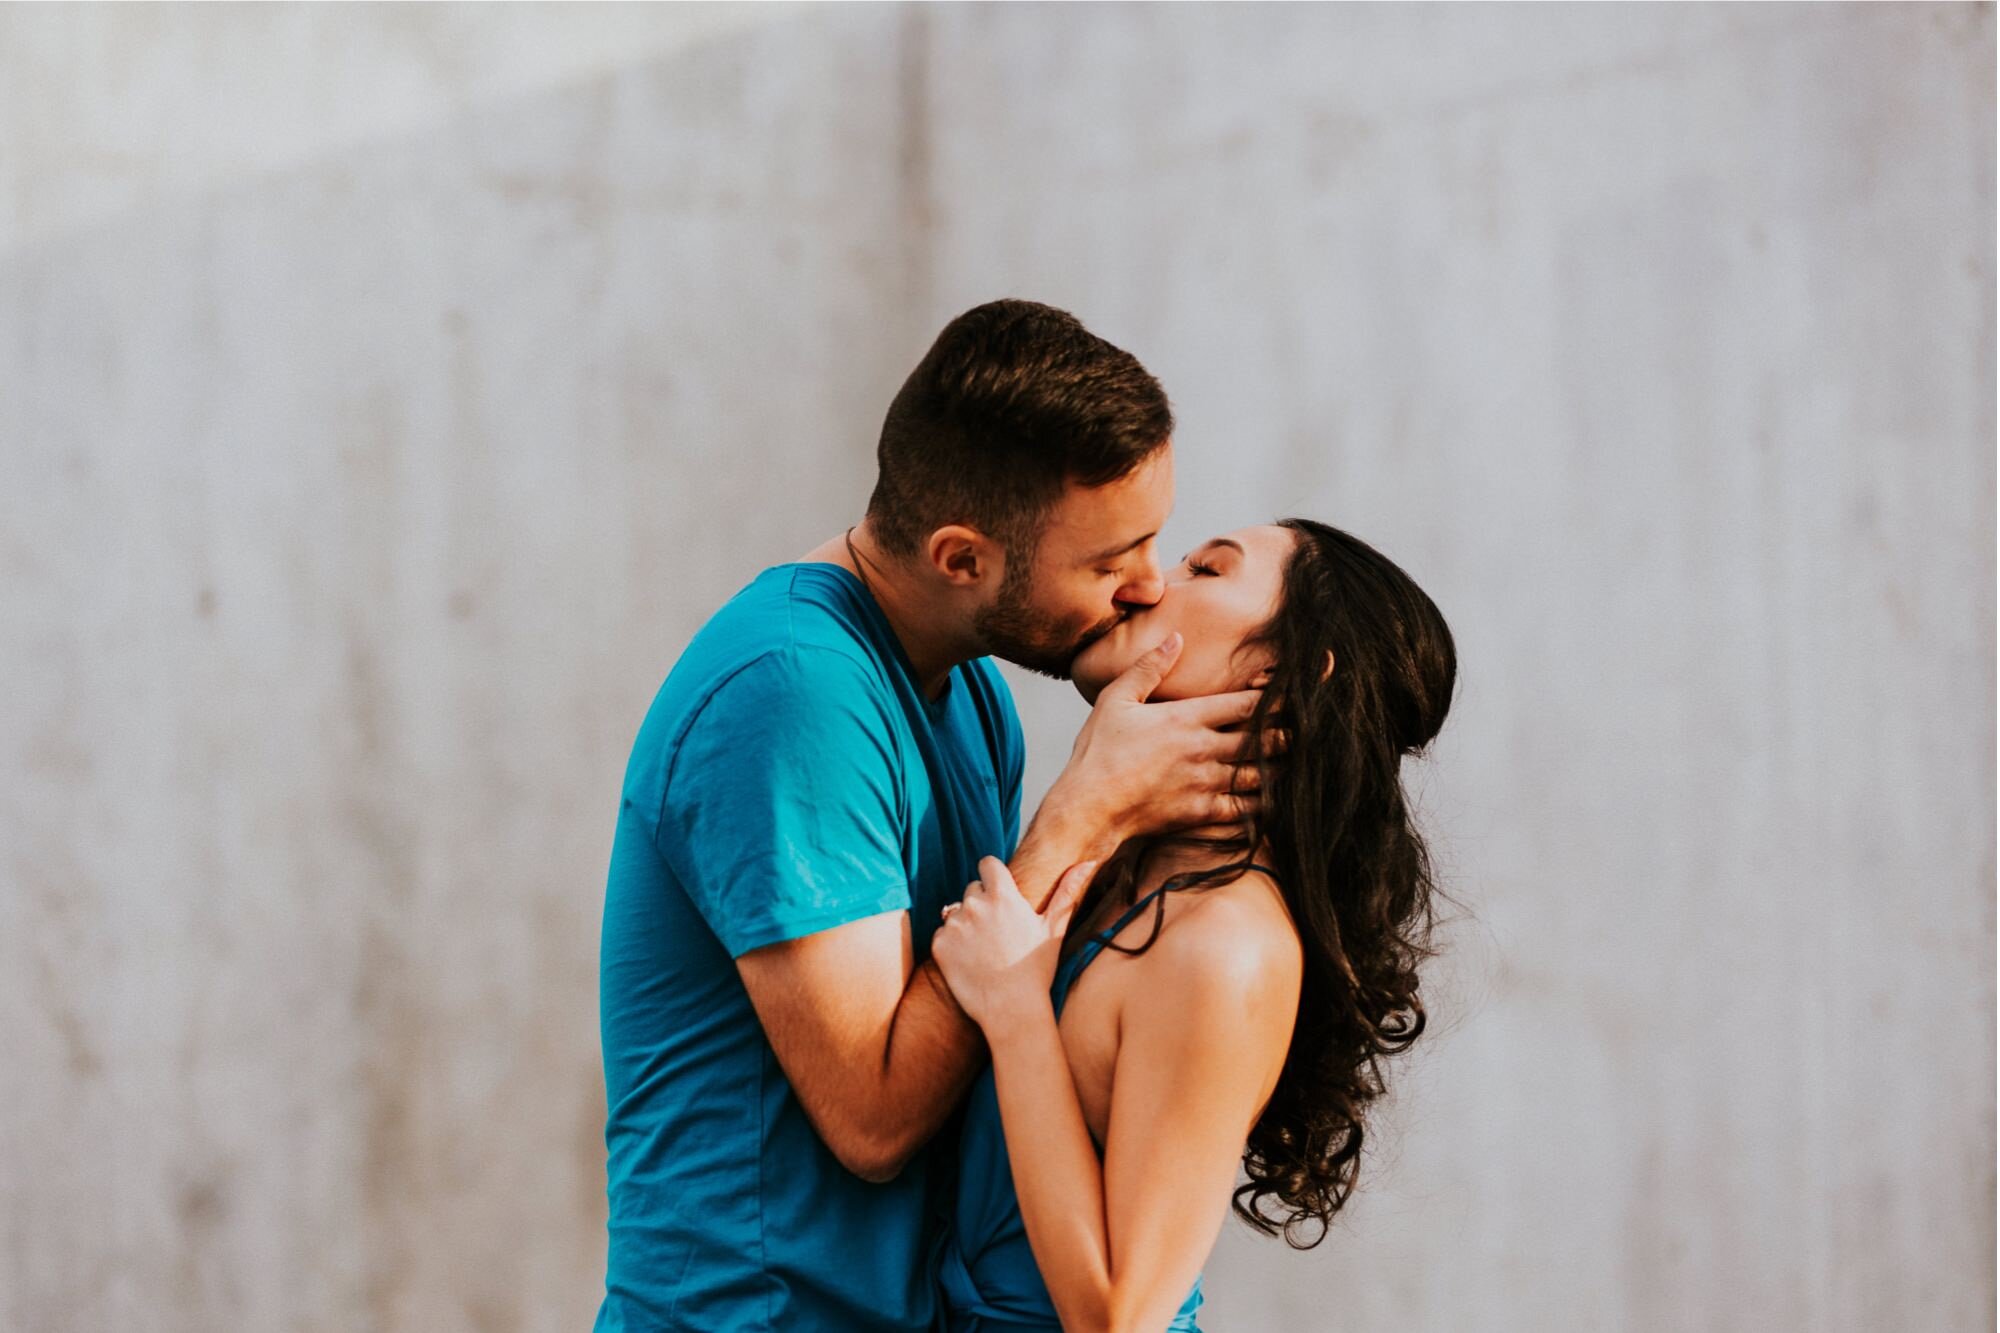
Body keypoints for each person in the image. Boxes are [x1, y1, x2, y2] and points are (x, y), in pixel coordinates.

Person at [594, 300, 1269, 1332]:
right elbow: (872, 1117)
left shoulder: (972, 696)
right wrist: (1079, 814)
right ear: (961, 559)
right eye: (1107, 562)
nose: (1144, 590)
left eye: (1156, 547)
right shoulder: (796, 695)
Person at [930, 518, 1458, 1333]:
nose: (1146, 582)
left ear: (1282, 672)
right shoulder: (1125, 870)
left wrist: (1015, 1010)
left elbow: (1119, 1318)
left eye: (1205, 569)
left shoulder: (1227, 946)